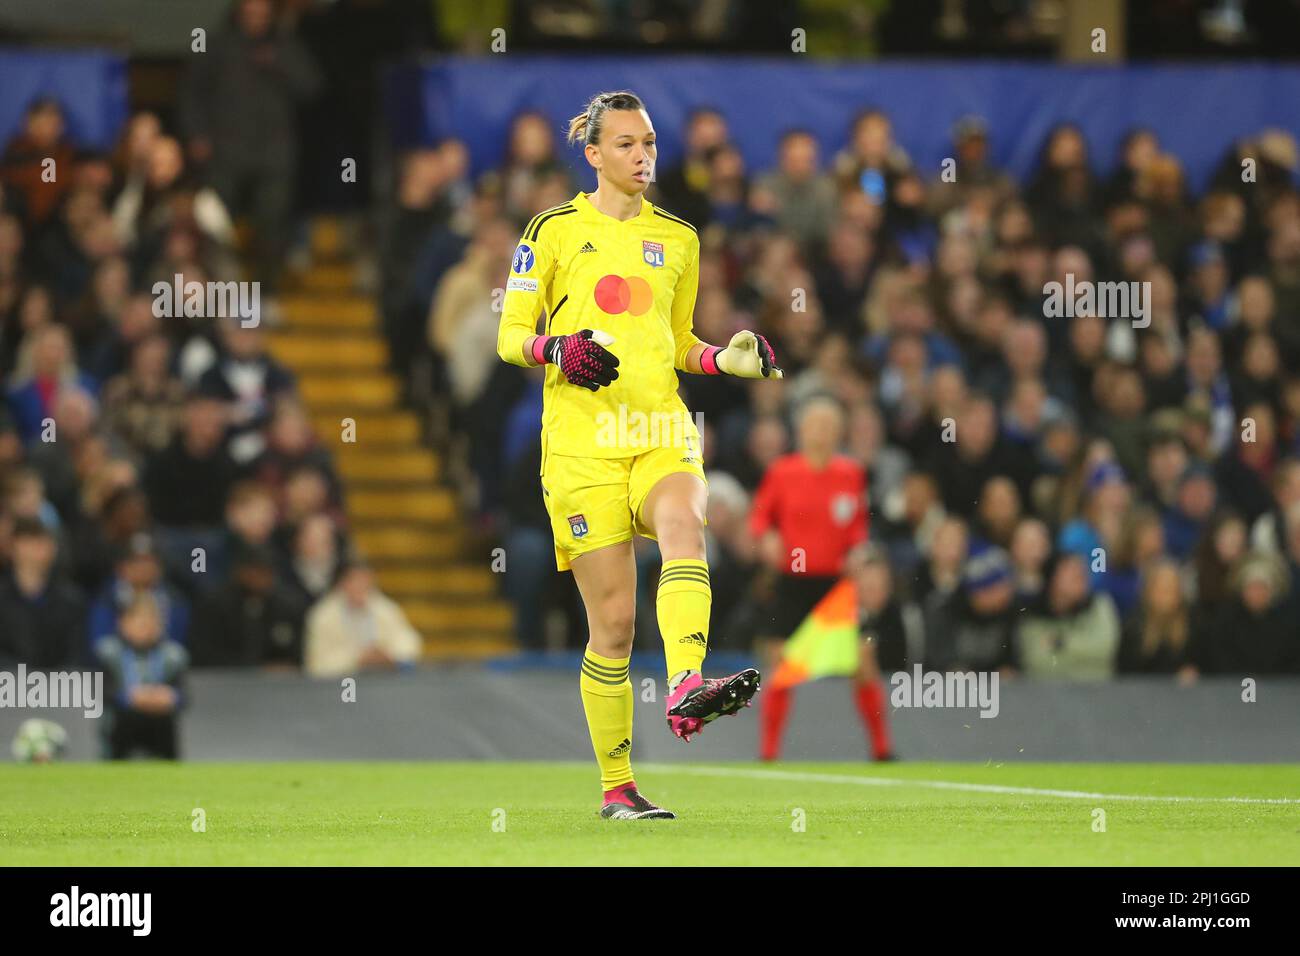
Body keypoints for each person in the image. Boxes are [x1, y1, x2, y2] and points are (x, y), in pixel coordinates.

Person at [495, 90, 783, 821]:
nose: (642, 155)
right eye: (625, 144)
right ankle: (617, 788)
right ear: (593, 155)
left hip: (660, 431)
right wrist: (555, 346)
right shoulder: (553, 229)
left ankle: (687, 684)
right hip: (582, 450)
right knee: (615, 626)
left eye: (649, 142)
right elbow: (510, 336)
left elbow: (678, 342)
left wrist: (728, 361)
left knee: (688, 522)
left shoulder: (680, 238)